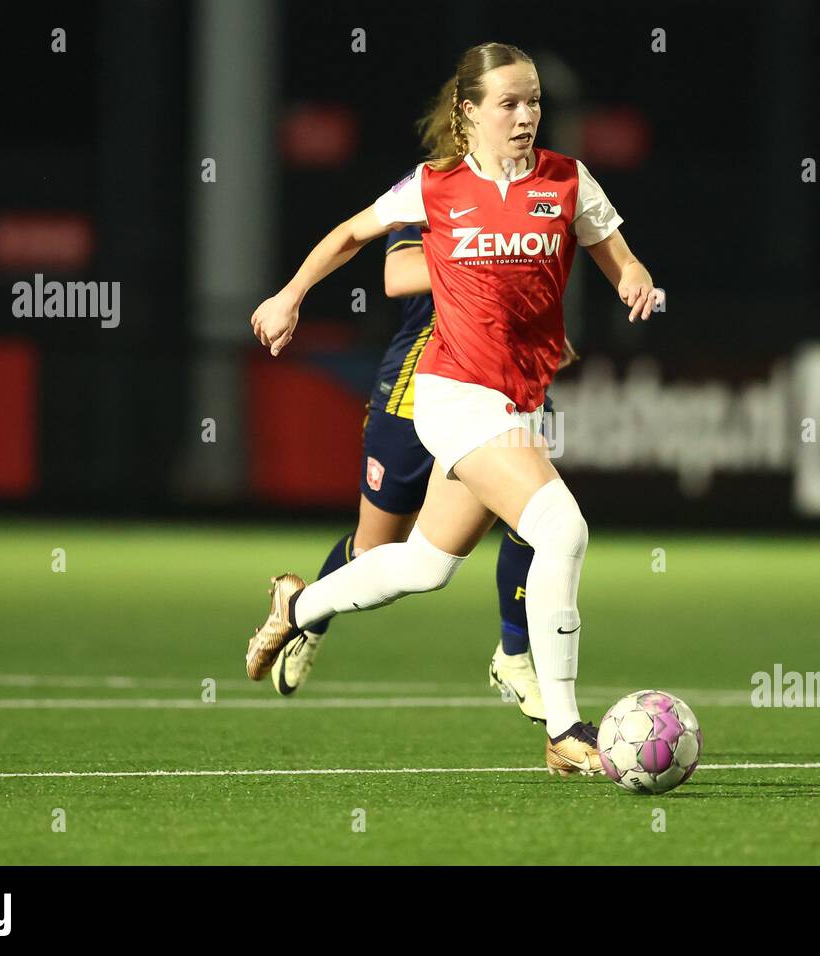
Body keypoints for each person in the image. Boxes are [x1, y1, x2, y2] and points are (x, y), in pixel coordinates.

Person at [247, 41, 660, 775]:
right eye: (508, 102)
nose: (526, 115)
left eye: (533, 100)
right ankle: (565, 730)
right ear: (467, 114)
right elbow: (350, 235)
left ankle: (297, 608)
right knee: (561, 526)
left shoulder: (567, 180)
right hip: (452, 394)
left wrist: (635, 280)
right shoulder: (435, 185)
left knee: (424, 566)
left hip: (514, 402)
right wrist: (288, 297)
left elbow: (618, 254)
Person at [270, 209, 578, 724]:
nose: (523, 125)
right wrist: (496, 254)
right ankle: (306, 619)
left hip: (506, 393)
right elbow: (399, 276)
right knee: (381, 549)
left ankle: (515, 654)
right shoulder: (438, 195)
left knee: (544, 519)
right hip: (414, 396)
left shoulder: (537, 197)